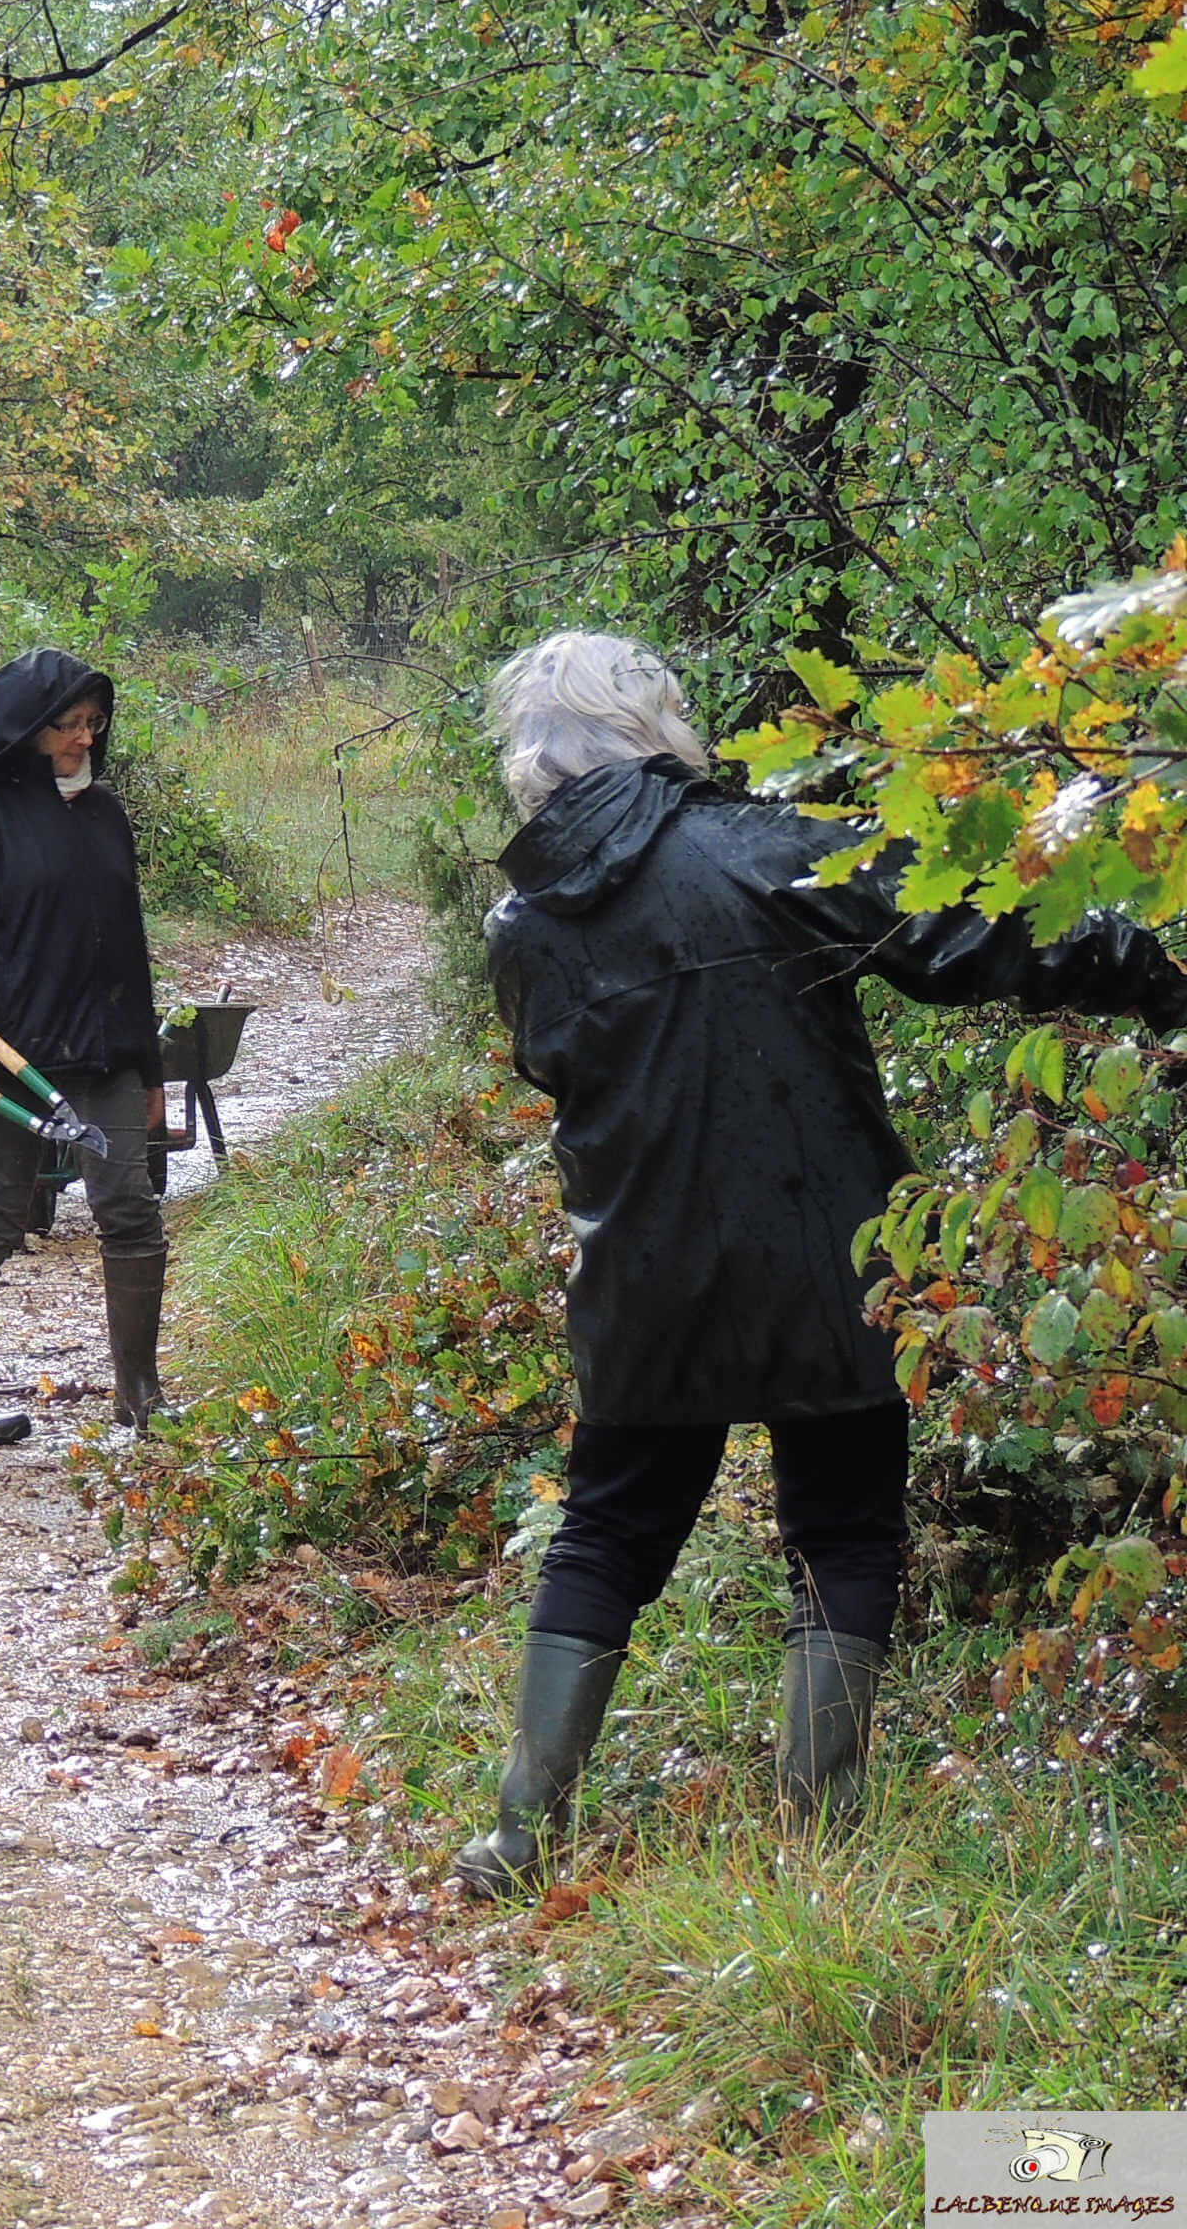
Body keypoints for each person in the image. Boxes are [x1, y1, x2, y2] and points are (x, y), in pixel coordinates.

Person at [458, 630, 1187, 1896]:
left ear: (535, 756)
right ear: (656, 727)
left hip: (642, 1273)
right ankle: (817, 1832)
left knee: (606, 1535)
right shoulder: (760, 849)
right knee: (842, 1528)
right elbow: (968, 941)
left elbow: (555, 1072)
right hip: (829, 1247)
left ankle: (520, 1836)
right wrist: (1145, 963)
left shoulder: (524, 925)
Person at [0, 648, 169, 1446]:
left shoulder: (105, 812)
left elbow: (130, 948)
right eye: (66, 726)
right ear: (25, 728)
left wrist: (152, 1069)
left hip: (111, 1053)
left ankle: (141, 1395)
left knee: (133, 1215)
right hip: (15, 1061)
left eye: (94, 724)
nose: (84, 739)